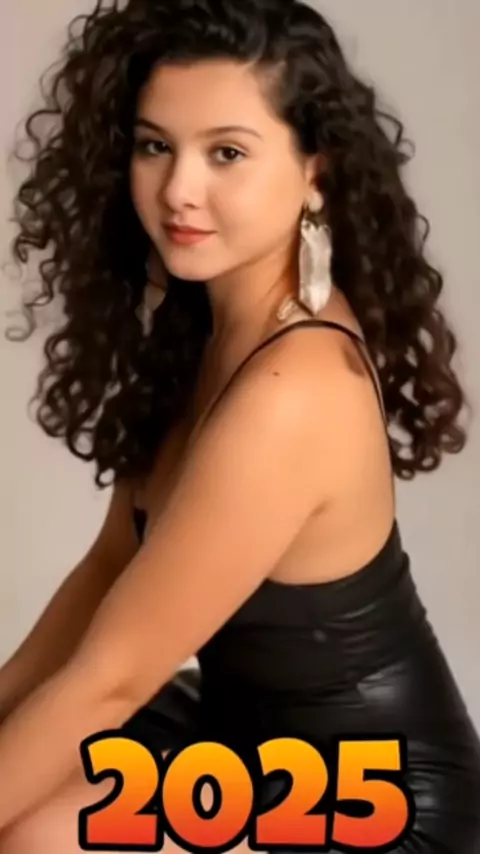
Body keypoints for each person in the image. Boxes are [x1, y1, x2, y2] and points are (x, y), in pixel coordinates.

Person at [1, 0, 479, 851]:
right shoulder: (198, 326)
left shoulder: (295, 391)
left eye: (227, 152)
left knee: (40, 835)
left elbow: (113, 679)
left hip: (372, 804)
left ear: (315, 170)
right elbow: (108, 569)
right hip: (238, 744)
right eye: (155, 146)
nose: (178, 191)